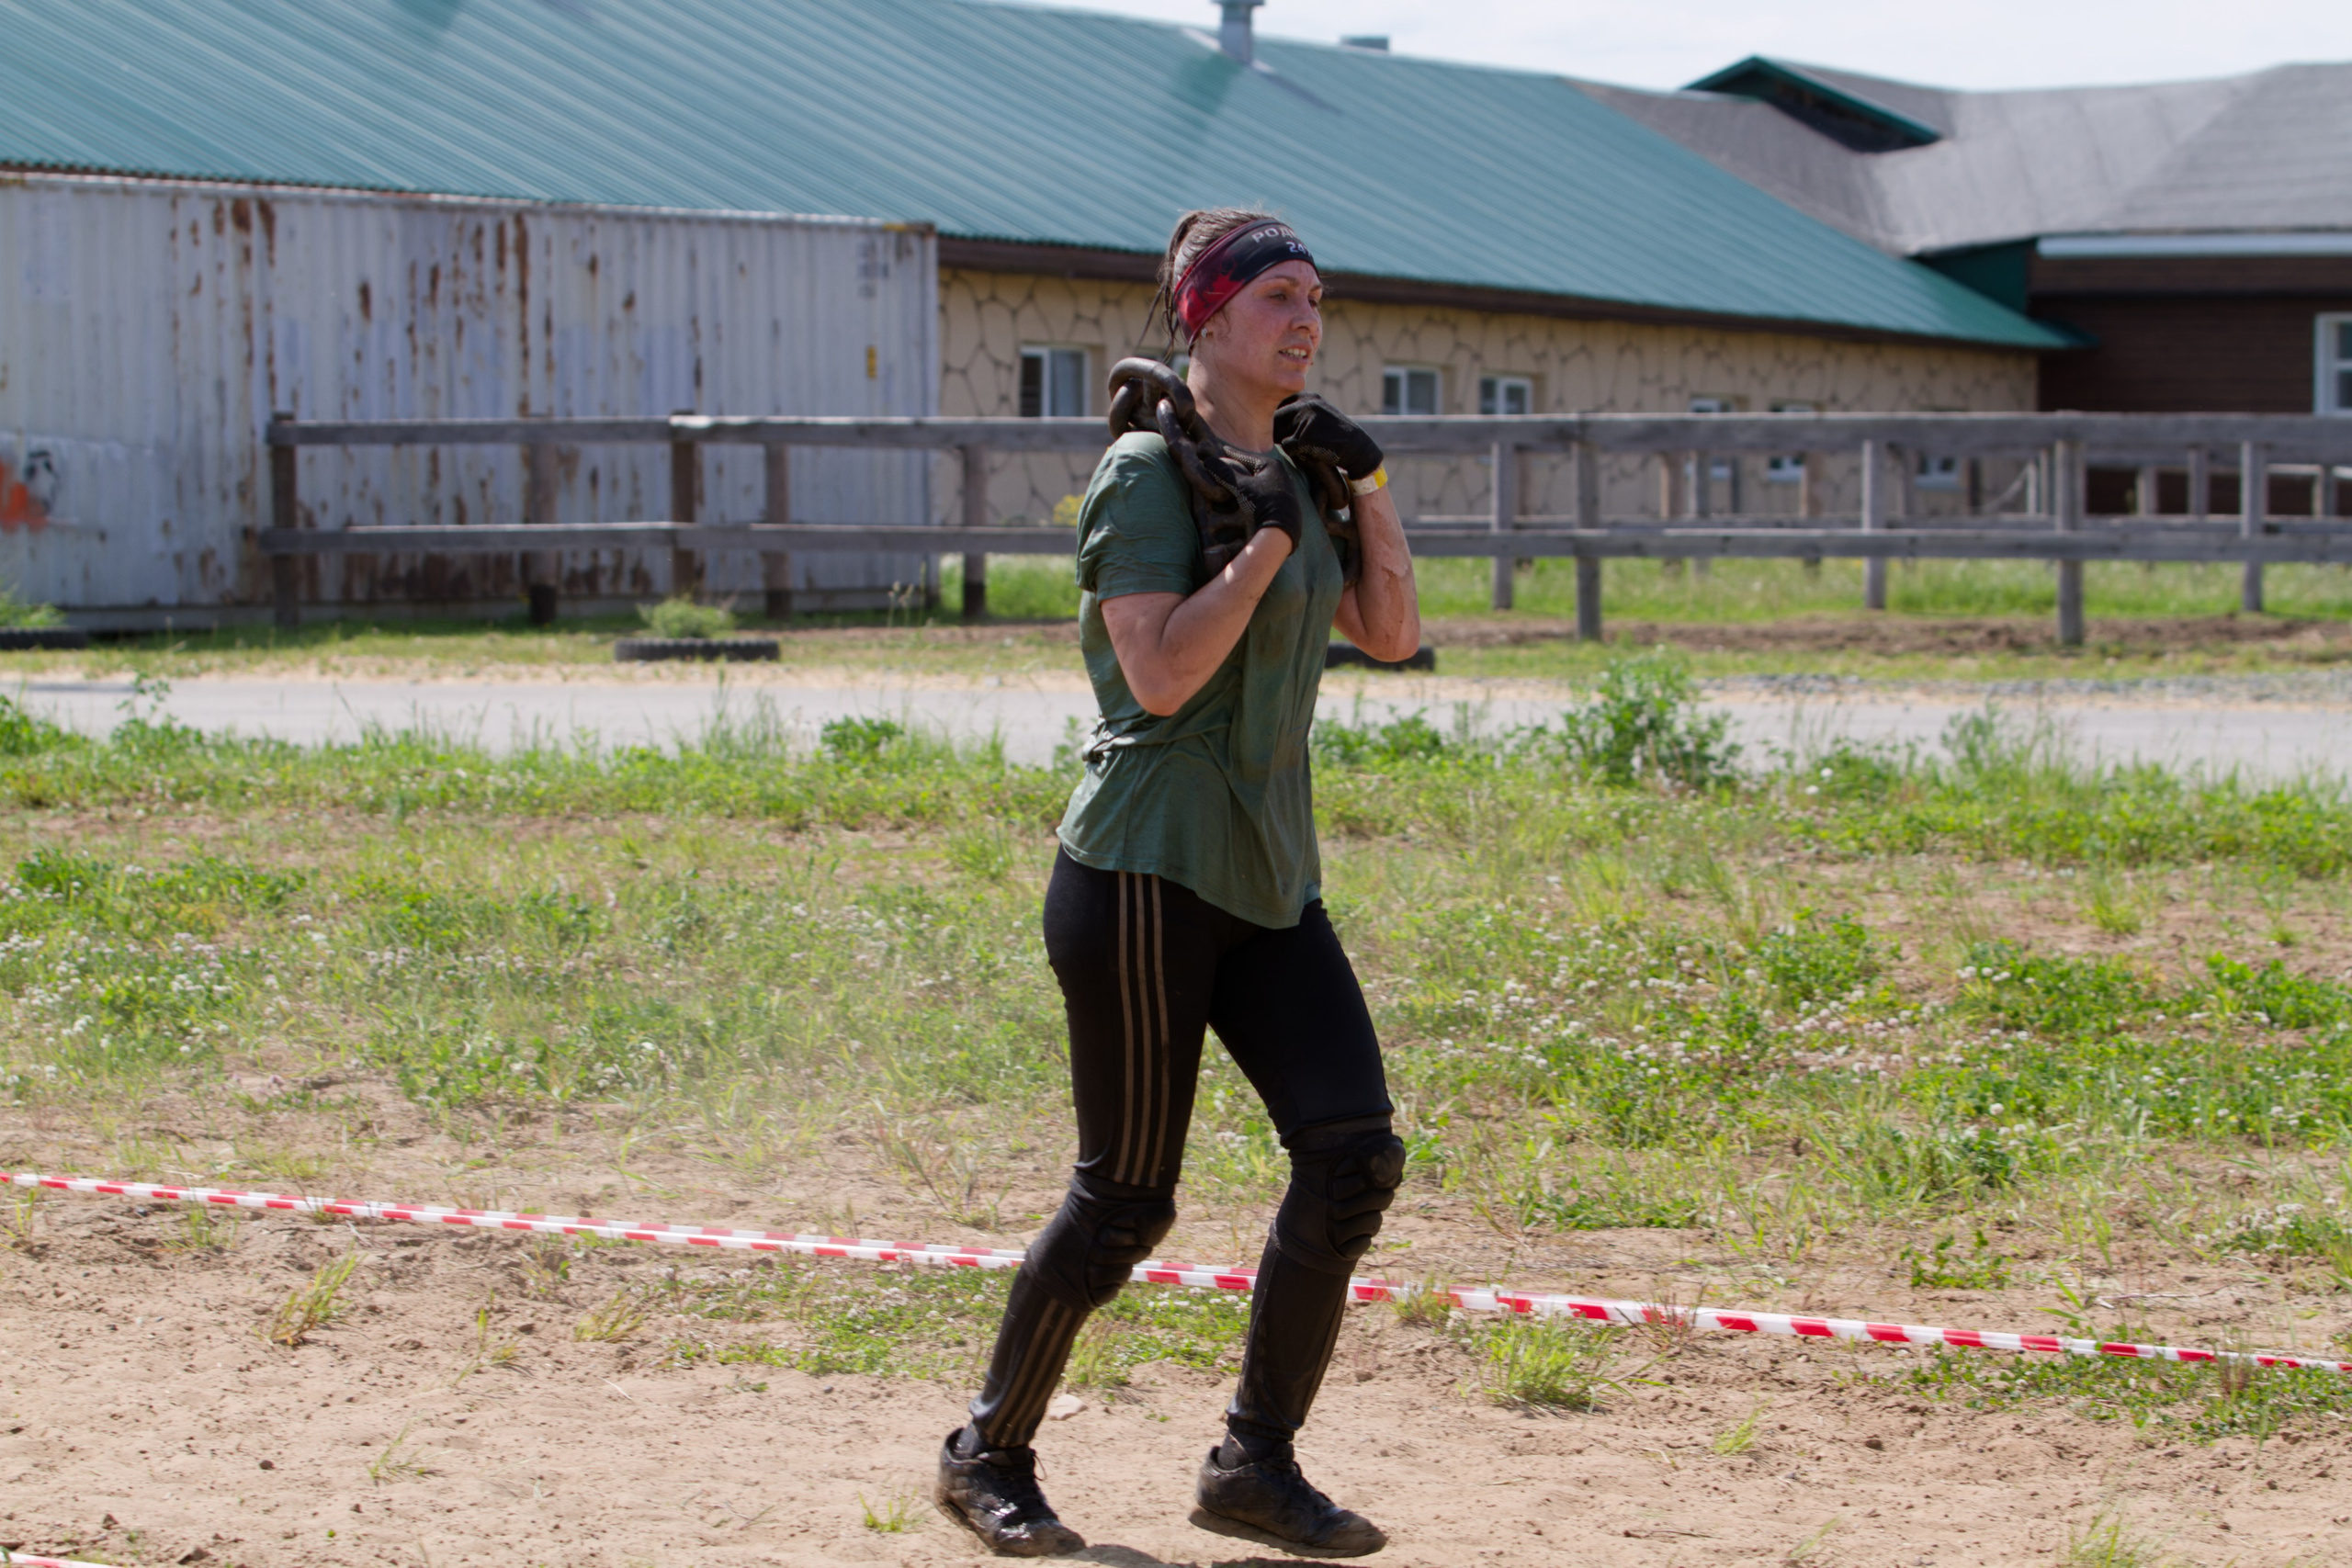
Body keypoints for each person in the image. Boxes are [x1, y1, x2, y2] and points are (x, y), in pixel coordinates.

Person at [934, 208, 1420, 1559]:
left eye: (1317, 296)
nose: (1307, 318)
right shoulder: (1149, 478)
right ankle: (987, 1456)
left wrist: (1361, 494)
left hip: (1267, 872)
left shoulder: (1297, 472)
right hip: (1145, 867)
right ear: (1205, 317)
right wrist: (1263, 540)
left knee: (1352, 1156)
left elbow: (1389, 634)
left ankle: (1251, 1468)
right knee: (1127, 1200)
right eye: (1277, 296)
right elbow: (1157, 677)